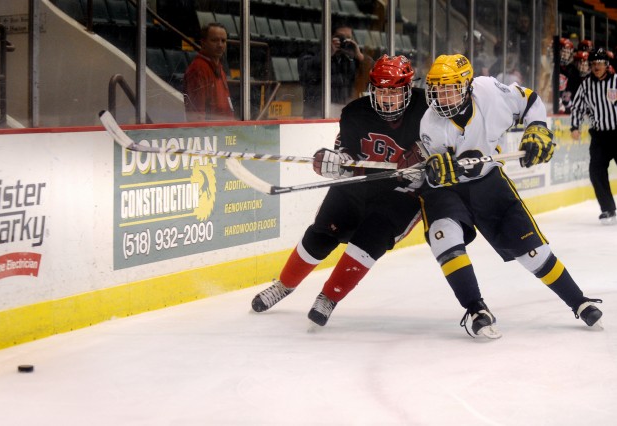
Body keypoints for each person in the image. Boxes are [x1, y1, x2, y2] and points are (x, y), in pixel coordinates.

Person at [419, 54, 603, 338]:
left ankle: (579, 301)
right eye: (437, 89)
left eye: (450, 88)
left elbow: (529, 100)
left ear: (467, 85)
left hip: (489, 182)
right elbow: (440, 171)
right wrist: (439, 167)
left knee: (532, 251)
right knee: (445, 236)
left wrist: (537, 128)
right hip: (449, 190)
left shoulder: (490, 92)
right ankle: (475, 308)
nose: (442, 96)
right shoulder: (431, 124)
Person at [251, 55, 428, 326]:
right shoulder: (356, 112)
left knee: (370, 239)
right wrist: (335, 162)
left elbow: (452, 139)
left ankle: (328, 297)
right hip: (361, 183)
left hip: (403, 192)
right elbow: (347, 153)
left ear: (407, 89)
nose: (387, 98)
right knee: (322, 233)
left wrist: (429, 156)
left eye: (394, 91)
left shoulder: (427, 108)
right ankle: (284, 285)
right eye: (381, 91)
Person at [570, 47, 617, 225]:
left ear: (607, 65)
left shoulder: (616, 81)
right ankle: (608, 208)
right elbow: (577, 107)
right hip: (599, 137)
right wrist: (575, 126)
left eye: (600, 63)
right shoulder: (586, 85)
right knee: (596, 172)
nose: (596, 67)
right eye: (594, 64)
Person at [298, 24, 371, 118]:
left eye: (348, 38)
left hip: (344, 107)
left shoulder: (350, 57)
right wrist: (328, 53)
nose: (344, 41)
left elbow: (373, 73)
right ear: (329, 37)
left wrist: (359, 55)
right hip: (319, 110)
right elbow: (305, 72)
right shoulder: (313, 52)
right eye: (340, 37)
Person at [183, 23, 235, 121]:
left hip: (224, 130)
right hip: (212, 133)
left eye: (223, 41)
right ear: (203, 43)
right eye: (214, 40)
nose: (220, 45)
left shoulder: (219, 68)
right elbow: (197, 117)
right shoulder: (198, 70)